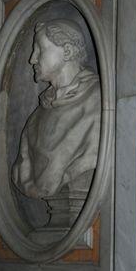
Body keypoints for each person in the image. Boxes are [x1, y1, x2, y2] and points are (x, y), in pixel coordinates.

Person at [12, 18, 100, 199]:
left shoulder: (99, 101)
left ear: (67, 51)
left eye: (40, 50)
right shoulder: (35, 119)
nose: (32, 59)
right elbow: (22, 170)